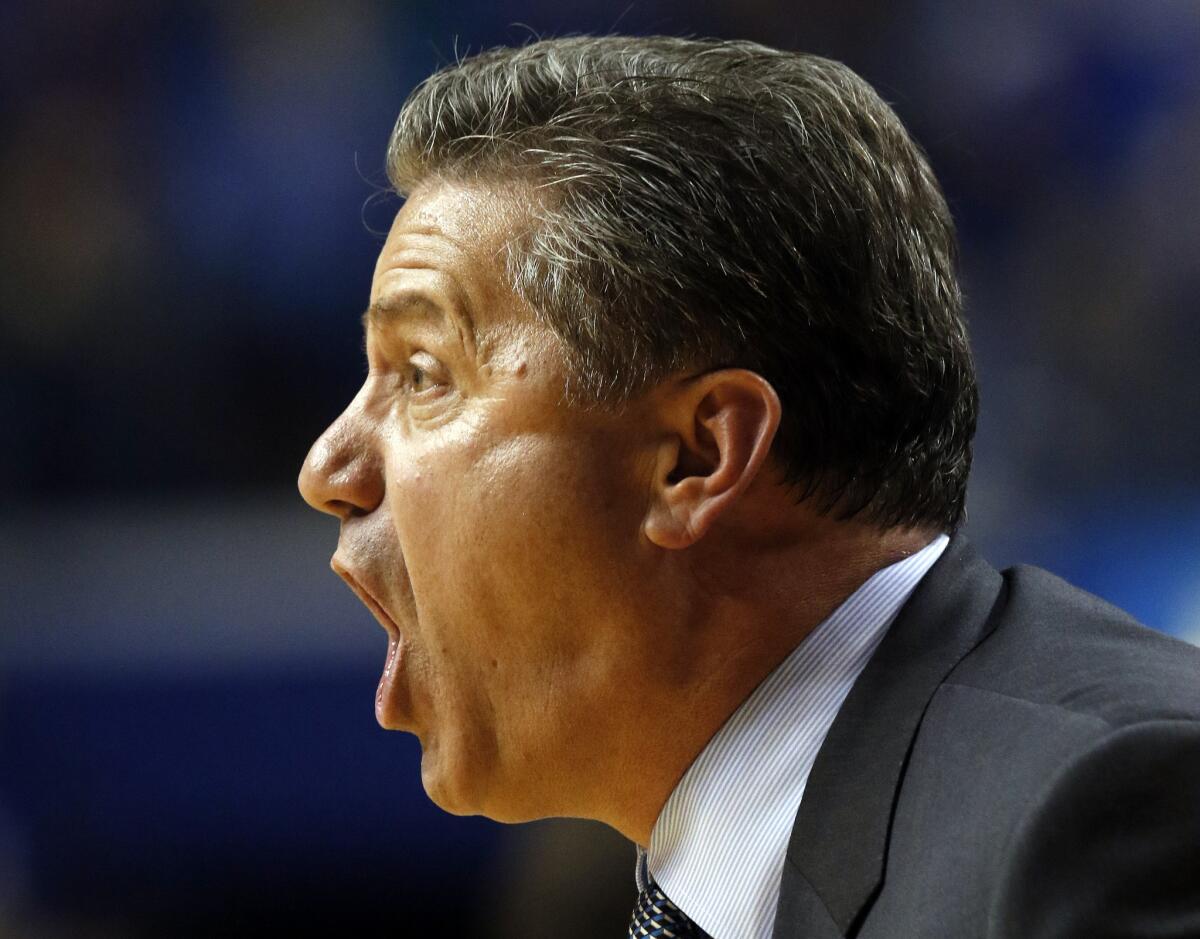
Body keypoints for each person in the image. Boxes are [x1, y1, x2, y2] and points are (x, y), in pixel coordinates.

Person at [297, 36, 1200, 939]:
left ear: (697, 458)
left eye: (420, 372)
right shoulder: (705, 876)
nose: (328, 469)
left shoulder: (1101, 813)